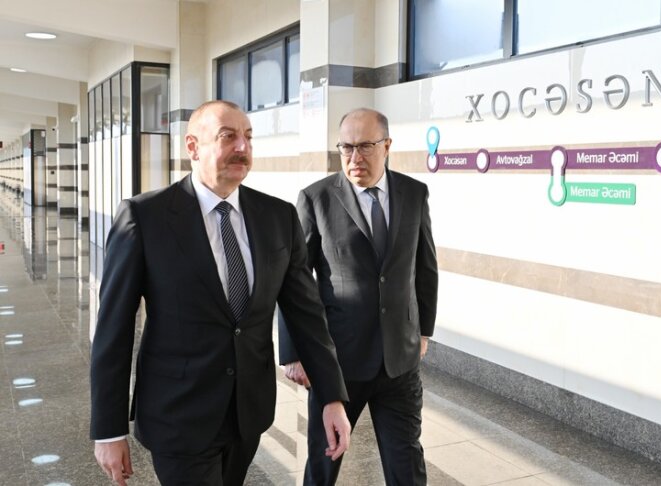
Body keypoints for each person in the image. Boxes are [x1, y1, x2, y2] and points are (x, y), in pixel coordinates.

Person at [89, 100, 351, 486]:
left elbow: (306, 315)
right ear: (192, 147)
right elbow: (113, 329)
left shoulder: (278, 217)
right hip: (177, 415)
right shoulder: (145, 217)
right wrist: (108, 430)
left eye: (248, 137)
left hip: (248, 413)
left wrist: (331, 397)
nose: (242, 147)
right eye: (228, 136)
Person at [278, 108, 438, 485]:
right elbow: (293, 280)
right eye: (346, 148)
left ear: (387, 146)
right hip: (338, 361)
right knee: (324, 461)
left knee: (406, 462)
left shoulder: (414, 193)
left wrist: (424, 331)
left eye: (365, 146)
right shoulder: (316, 198)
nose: (354, 158)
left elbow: (425, 266)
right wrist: (293, 353)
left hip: (399, 361)